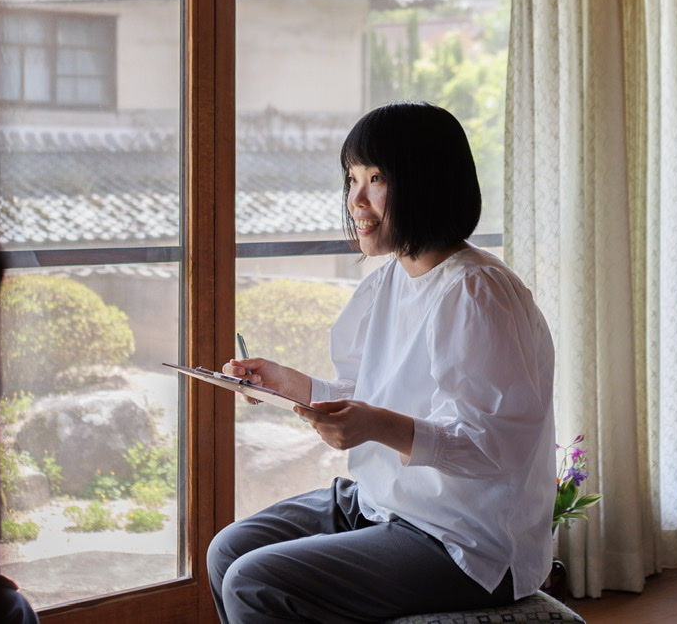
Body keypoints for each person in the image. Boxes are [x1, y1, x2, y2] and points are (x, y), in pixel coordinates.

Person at [207, 101, 556, 623]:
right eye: (351, 179)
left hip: (462, 540)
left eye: (376, 178)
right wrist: (291, 385)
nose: (356, 199)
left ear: (426, 183)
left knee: (256, 582)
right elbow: (364, 393)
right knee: (229, 550)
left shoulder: (475, 291)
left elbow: (496, 446)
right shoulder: (387, 282)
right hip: (382, 503)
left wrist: (377, 426)